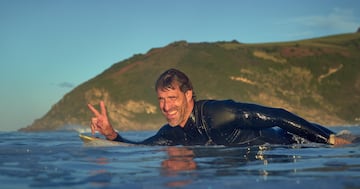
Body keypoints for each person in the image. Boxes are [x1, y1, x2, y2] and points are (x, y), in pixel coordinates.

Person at [88, 68, 352, 146]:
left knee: (351, 142)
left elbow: (278, 116)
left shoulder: (217, 113)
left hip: (290, 145)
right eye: (161, 99)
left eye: (171, 98)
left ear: (188, 95)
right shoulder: (172, 133)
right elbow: (141, 150)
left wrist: (328, 140)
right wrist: (111, 135)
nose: (165, 106)